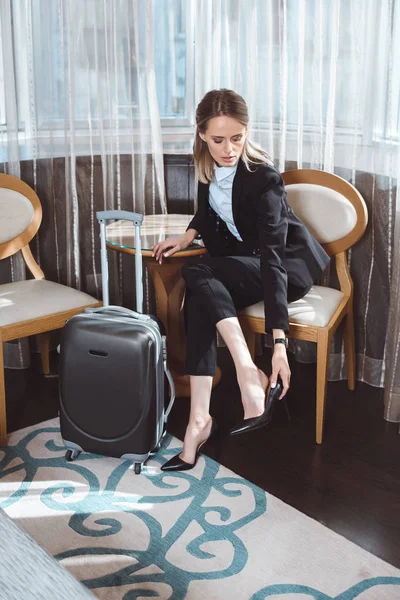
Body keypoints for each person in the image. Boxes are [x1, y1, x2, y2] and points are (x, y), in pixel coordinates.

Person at [152, 89, 330, 472]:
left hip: (284, 268)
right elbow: (208, 209)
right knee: (199, 290)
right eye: (218, 140)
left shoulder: (264, 179)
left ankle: (247, 370)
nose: (228, 149)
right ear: (201, 135)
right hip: (240, 261)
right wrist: (188, 234)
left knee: (196, 272)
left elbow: (273, 261)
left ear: (247, 131)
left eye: (237, 137)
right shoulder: (206, 166)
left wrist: (278, 342)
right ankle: (199, 419)